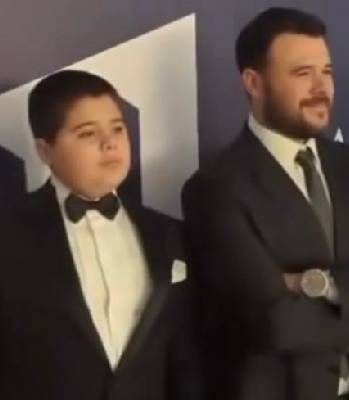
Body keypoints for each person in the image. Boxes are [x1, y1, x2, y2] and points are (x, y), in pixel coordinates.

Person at [182, 7, 349, 400]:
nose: (322, 87)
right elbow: (274, 323)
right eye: (303, 73)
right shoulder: (215, 187)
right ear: (254, 82)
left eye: (327, 71)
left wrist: (321, 284)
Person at [0, 69, 204, 400]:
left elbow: (185, 358)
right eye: (87, 133)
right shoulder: (9, 237)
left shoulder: (167, 234)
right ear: (45, 150)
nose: (110, 143)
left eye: (118, 128)